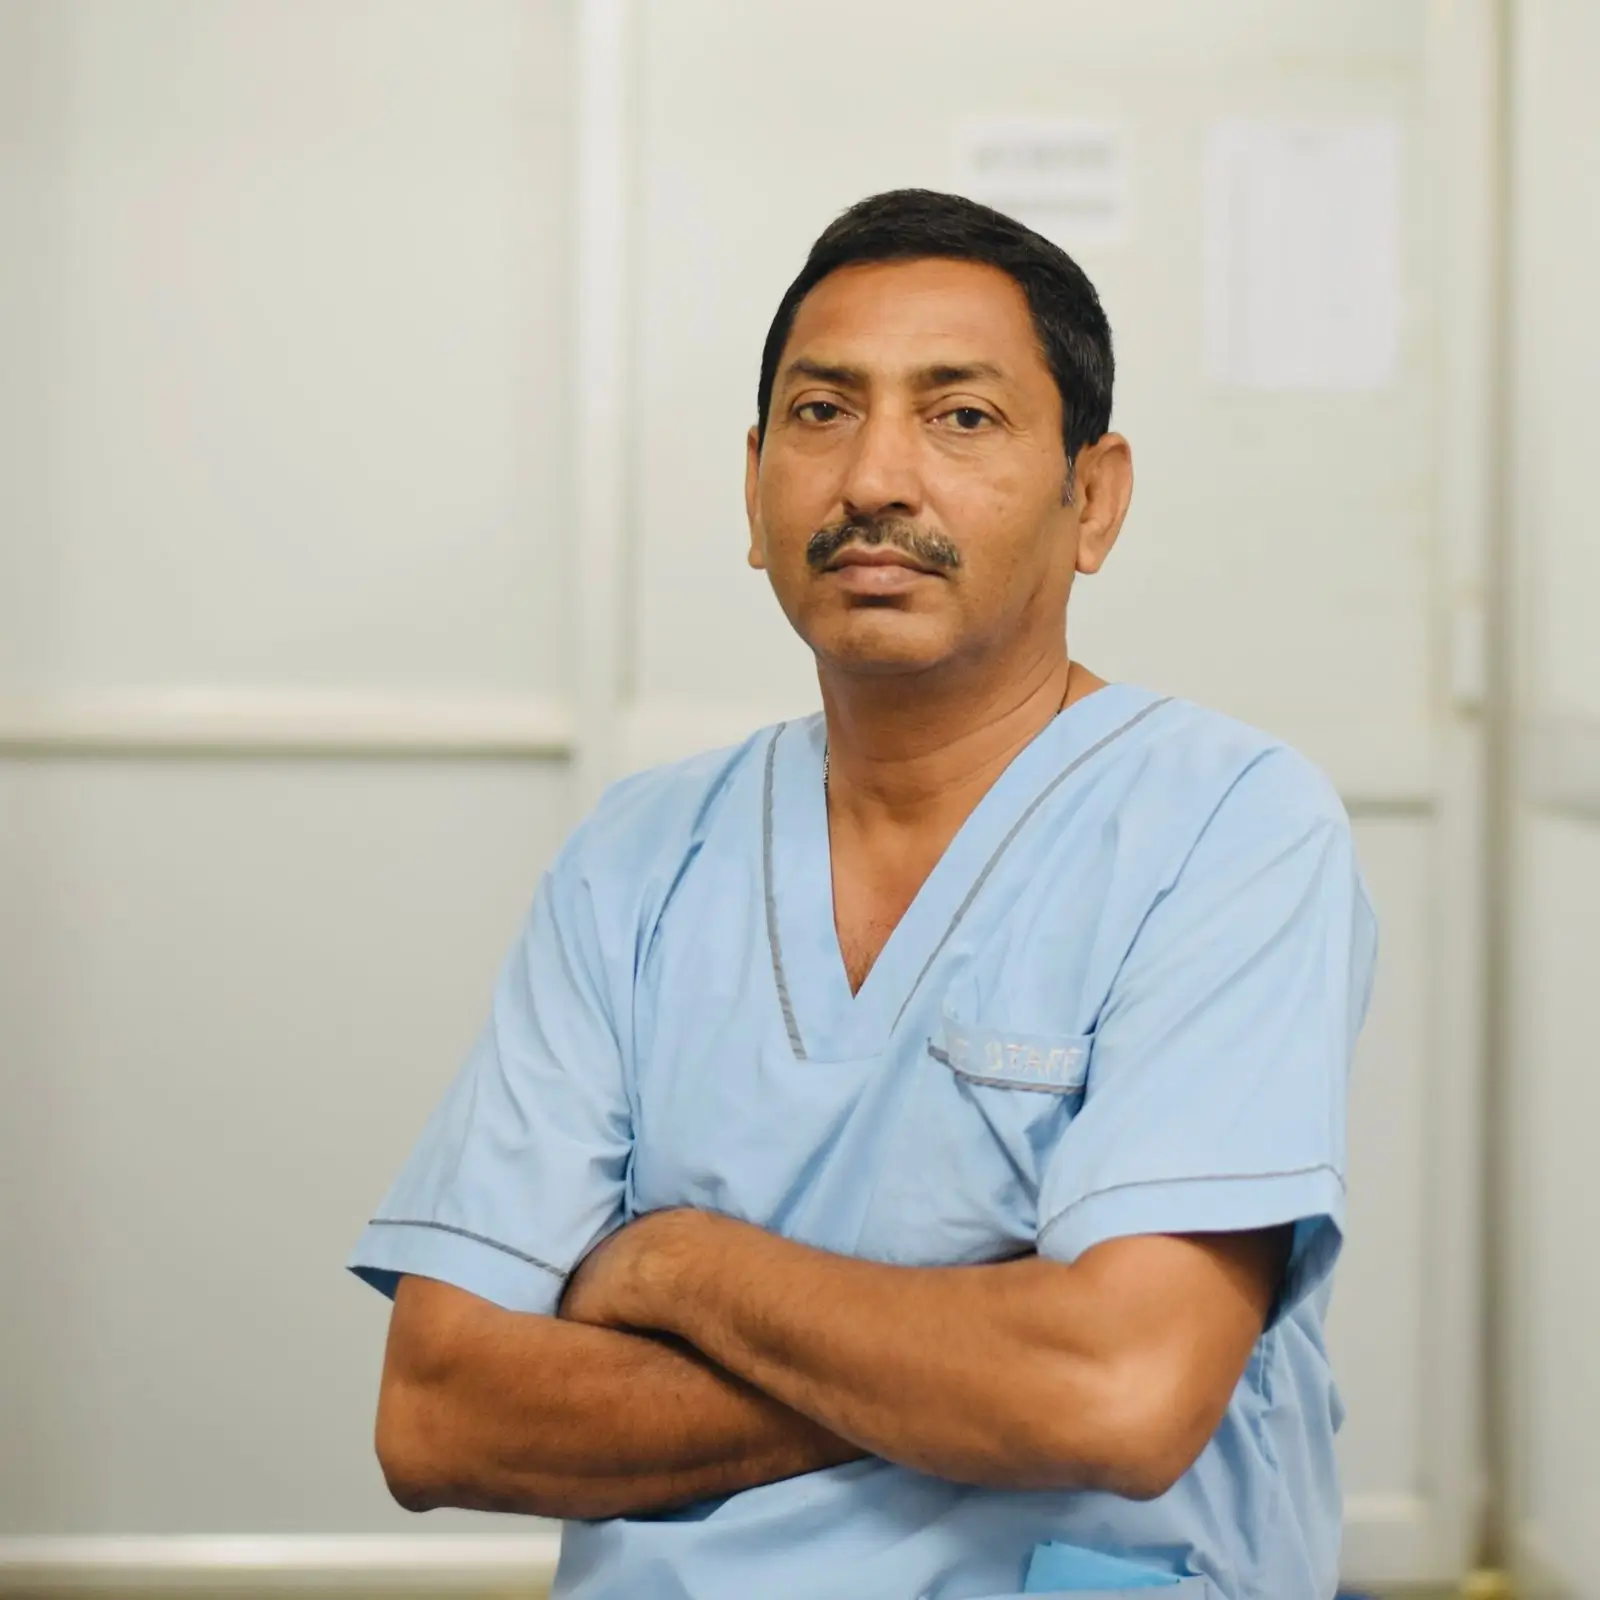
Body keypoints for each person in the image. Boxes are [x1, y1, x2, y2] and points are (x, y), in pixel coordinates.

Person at [348, 188, 1377, 1600]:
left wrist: (681, 1272)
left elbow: (1117, 1397)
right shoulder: (636, 861)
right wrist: (981, 1358)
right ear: (754, 488)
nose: (876, 477)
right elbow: (442, 1414)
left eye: (961, 416)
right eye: (824, 412)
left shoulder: (1226, 828)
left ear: (1092, 499)